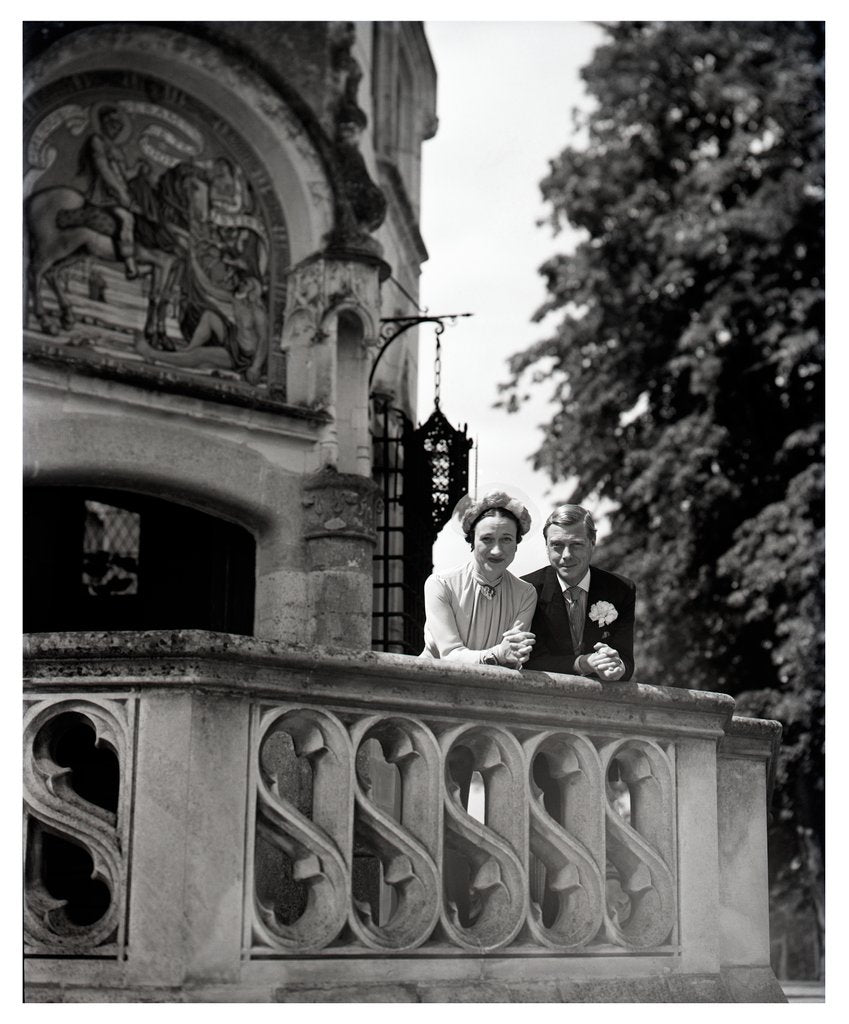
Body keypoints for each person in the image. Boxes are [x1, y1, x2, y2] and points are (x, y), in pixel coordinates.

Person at [420, 490, 537, 668]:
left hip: (493, 683)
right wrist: (498, 654)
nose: (496, 551)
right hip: (434, 679)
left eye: (506, 539)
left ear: (516, 544)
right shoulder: (441, 584)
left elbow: (513, 655)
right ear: (472, 541)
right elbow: (450, 655)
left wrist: (512, 653)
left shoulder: (525, 593)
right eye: (487, 539)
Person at [522, 504, 635, 681]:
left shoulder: (621, 590)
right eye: (557, 545)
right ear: (546, 546)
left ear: (592, 543)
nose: (566, 554)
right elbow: (531, 661)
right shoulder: (527, 589)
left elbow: (626, 659)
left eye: (576, 544)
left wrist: (618, 667)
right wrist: (582, 663)